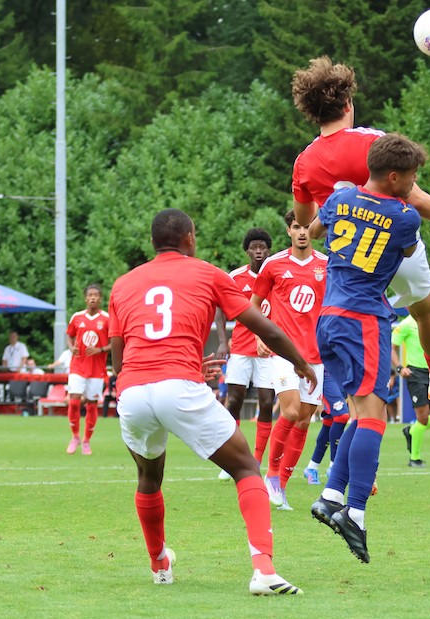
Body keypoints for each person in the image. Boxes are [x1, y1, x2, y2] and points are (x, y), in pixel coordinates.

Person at [109, 208, 313, 594]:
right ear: (189, 237)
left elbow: (120, 359)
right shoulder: (206, 272)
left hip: (133, 391)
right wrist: (301, 362)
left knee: (149, 478)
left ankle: (160, 564)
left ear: (153, 242)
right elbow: (262, 326)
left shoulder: (123, 283)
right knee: (246, 468)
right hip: (179, 387)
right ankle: (264, 570)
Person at [289, 56, 430, 404]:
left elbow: (305, 219)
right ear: (347, 103)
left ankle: (350, 397)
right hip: (393, 244)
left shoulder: (304, 161)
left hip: (348, 258)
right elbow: (412, 196)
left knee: (350, 323)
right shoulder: (371, 141)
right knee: (423, 312)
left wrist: (321, 223)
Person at [308, 132, 425, 563]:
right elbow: (408, 251)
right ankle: (355, 511)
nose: (413, 184)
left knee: (359, 413)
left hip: (330, 316)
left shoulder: (339, 200)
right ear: (393, 176)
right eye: (411, 177)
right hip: (364, 319)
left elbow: (315, 228)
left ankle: (331, 493)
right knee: (375, 418)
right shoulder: (406, 216)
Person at [251, 210, 327, 510]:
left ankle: (281, 485)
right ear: (288, 231)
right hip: (284, 353)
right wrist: (259, 335)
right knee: (292, 411)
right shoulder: (273, 265)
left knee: (306, 419)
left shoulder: (326, 265)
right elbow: (254, 304)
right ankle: (270, 475)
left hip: (317, 354)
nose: (303, 232)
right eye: (297, 227)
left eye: (308, 226)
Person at [217, 228, 277, 480]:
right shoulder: (235, 277)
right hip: (240, 348)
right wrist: (222, 341)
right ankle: (232, 461)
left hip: (268, 351)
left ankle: (257, 460)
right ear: (247, 251)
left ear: (269, 249)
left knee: (266, 403)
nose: (259, 251)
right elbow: (220, 308)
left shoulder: (277, 275)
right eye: (254, 247)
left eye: (263, 246)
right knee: (234, 402)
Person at [394, 315, 430, 467]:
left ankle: (411, 430)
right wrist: (400, 368)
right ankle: (414, 458)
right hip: (416, 373)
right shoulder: (405, 324)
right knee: (423, 417)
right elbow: (392, 347)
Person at [65, 284, 111, 456]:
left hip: (96, 369)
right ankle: (75, 436)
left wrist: (100, 350)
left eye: (96, 295)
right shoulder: (77, 317)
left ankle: (86, 441)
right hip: (77, 365)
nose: (93, 298)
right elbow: (69, 335)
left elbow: (115, 342)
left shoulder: (107, 319)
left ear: (100, 298)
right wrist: (71, 347)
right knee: (74, 400)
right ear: (85, 298)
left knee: (91, 404)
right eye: (90, 295)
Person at [302, 378, 350, 485]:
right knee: (342, 415)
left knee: (330, 421)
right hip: (327, 372)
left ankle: (312, 467)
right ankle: (334, 468)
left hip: (342, 372)